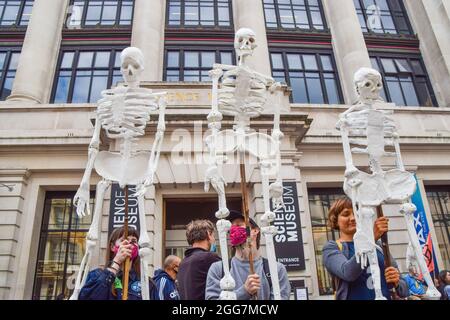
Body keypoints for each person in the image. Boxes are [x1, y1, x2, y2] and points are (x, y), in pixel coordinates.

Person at [322, 197, 409, 300]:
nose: (353, 218)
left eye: (357, 213)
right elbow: (348, 273)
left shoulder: (379, 246)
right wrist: (371, 238)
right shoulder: (331, 248)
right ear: (335, 220)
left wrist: (397, 282)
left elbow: (405, 290)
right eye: (346, 214)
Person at [205, 210, 291, 300]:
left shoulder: (275, 269)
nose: (234, 230)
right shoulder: (218, 269)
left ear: (255, 231)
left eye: (238, 225)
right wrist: (244, 291)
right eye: (231, 229)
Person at [79, 226, 154, 300]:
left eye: (134, 241)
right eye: (124, 240)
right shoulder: (96, 276)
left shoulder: (146, 283)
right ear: (112, 246)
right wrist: (116, 262)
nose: (129, 244)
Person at [177, 219, 221, 300]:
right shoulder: (209, 258)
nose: (214, 240)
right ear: (208, 234)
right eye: (213, 236)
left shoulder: (182, 263)